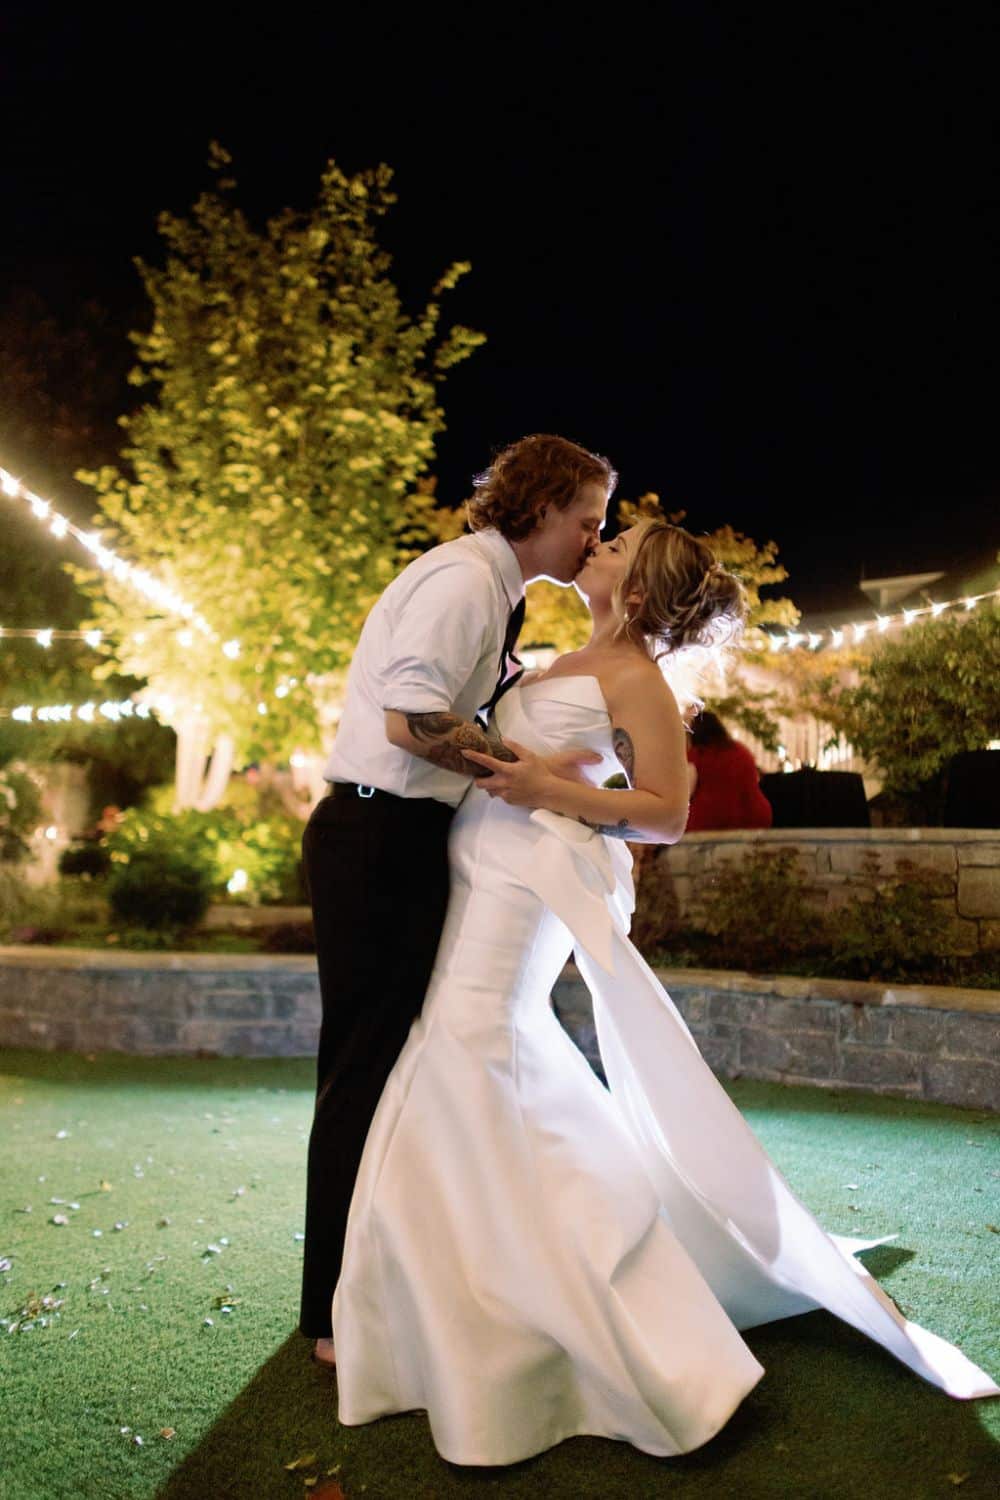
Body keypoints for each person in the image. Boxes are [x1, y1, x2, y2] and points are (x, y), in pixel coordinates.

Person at [330, 517, 999, 1464]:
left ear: (636, 593)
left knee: (474, 1047)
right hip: (483, 865)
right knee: (467, 1056)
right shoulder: (562, 653)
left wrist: (549, 791)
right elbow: (522, 764)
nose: (597, 547)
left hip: (531, 885)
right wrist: (513, 771)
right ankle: (462, 1310)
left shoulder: (637, 677)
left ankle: (607, 1323)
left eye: (618, 545)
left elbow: (666, 816)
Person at [299, 433, 615, 1366]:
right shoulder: (463, 581)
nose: (596, 537)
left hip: (400, 836)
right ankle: (329, 1314)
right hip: (375, 836)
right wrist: (525, 770)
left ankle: (376, 1287)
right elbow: (410, 719)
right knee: (363, 1066)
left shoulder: (496, 590)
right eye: (588, 518)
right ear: (543, 505)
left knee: (391, 1063)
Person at [685, 709, 773, 831]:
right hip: (754, 816)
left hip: (710, 821)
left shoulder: (698, 755)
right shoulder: (740, 750)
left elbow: (686, 791)